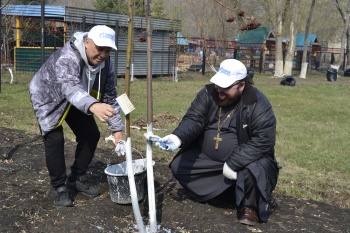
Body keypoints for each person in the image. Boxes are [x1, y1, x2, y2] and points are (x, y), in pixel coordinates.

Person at [157, 59, 280, 226]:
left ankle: (249, 206)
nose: (220, 91)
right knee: (179, 165)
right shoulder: (208, 94)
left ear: (241, 86)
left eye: (226, 87)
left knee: (254, 170)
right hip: (207, 161)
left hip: (240, 163)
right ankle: (227, 195)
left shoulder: (257, 102)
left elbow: (264, 139)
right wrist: (177, 137)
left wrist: (233, 162)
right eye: (218, 85)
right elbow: (194, 119)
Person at [29, 25, 124, 207]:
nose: (103, 54)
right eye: (99, 48)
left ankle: (75, 179)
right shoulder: (67, 57)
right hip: (47, 95)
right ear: (87, 42)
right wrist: (94, 105)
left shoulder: (106, 63)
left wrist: (117, 130)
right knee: (54, 138)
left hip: (79, 97)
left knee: (91, 134)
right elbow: (70, 88)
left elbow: (110, 95)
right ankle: (59, 188)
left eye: (108, 50)